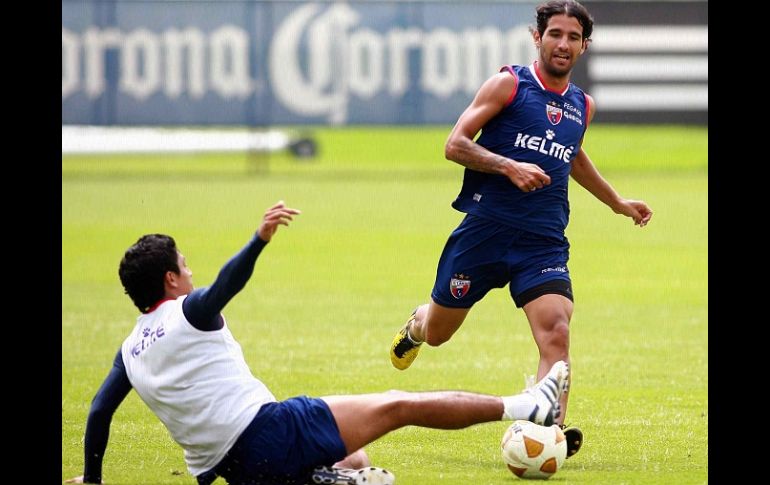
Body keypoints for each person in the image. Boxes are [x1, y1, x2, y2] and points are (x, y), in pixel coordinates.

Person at [66, 200, 571, 485]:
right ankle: (527, 403)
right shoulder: (187, 312)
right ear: (171, 281)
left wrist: (91, 480)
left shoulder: (129, 352)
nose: (190, 273)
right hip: (271, 430)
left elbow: (98, 412)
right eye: (184, 266)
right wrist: (259, 240)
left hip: (235, 472)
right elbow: (226, 285)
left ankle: (326, 479)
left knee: (357, 462)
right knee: (398, 405)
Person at [389, 0, 653, 460]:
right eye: (555, 34)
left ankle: (551, 429)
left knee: (556, 330)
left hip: (542, 240)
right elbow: (454, 144)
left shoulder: (581, 105)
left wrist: (617, 202)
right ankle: (416, 323)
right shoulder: (509, 85)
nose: (563, 44)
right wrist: (508, 166)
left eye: (573, 37)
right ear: (538, 37)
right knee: (438, 333)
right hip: (485, 232)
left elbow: (573, 155)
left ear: (584, 46)